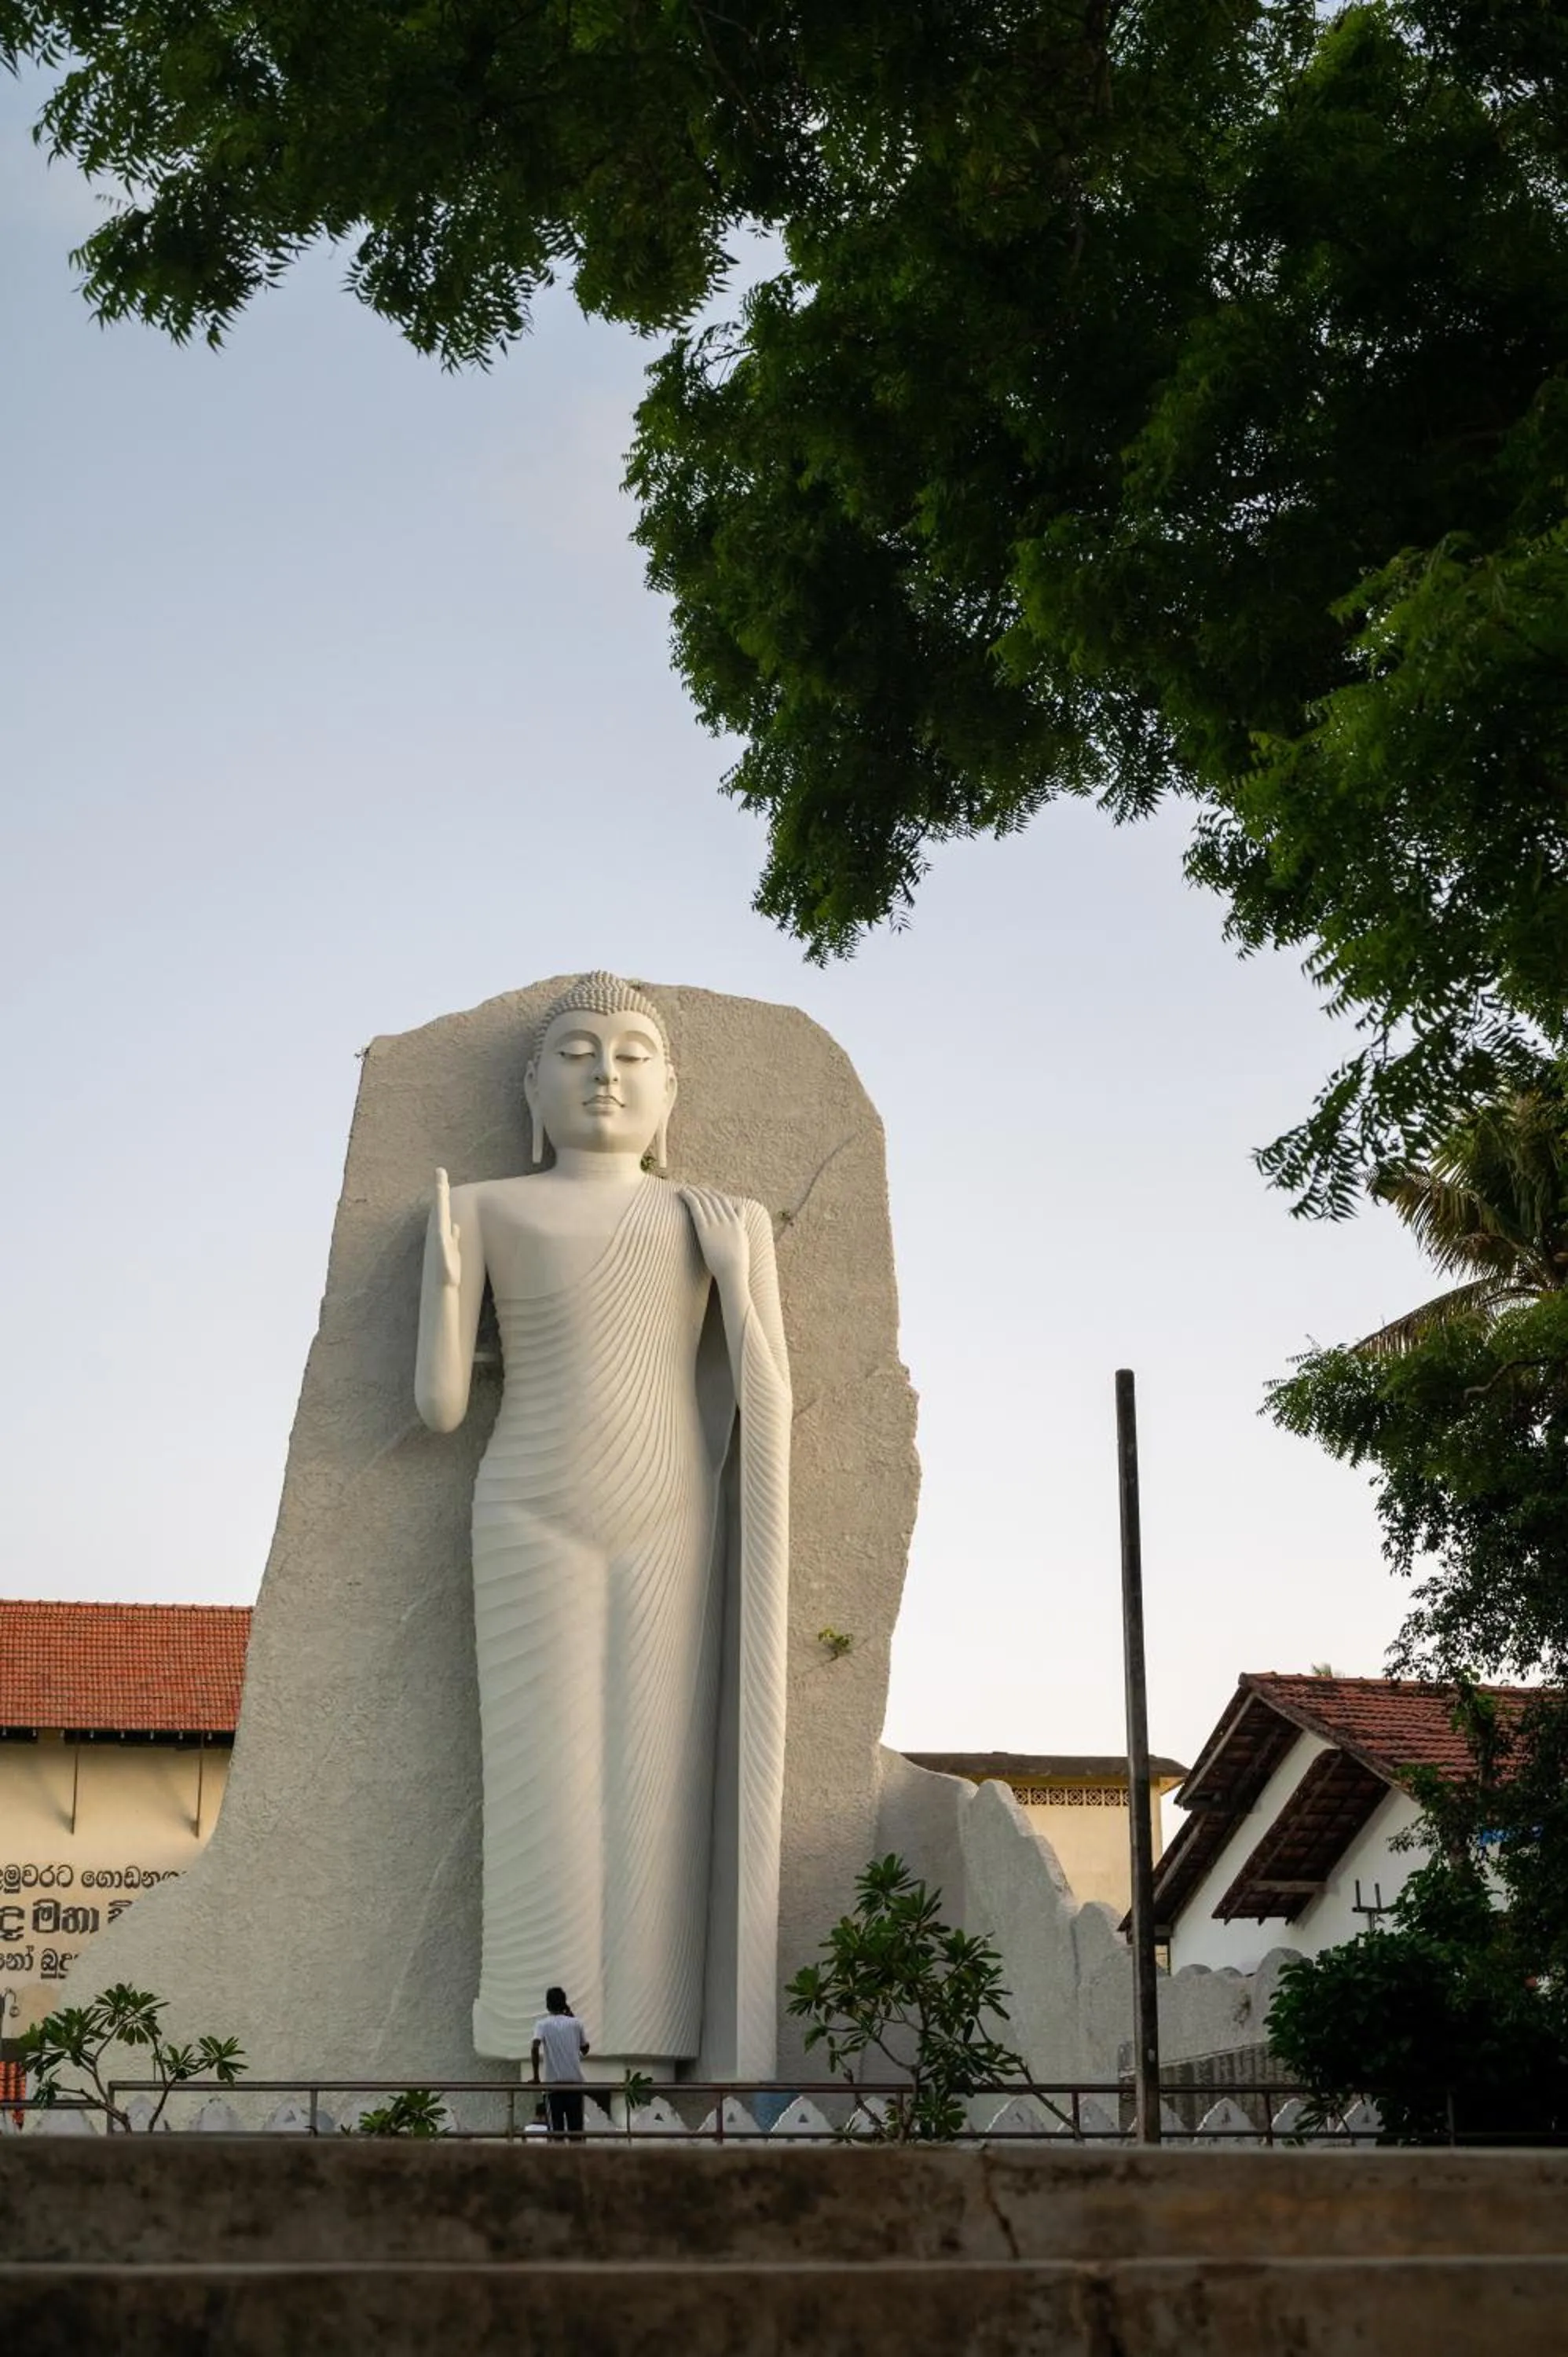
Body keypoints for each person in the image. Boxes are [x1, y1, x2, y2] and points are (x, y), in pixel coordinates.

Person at [530, 1986, 589, 2139]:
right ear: (564, 2004)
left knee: (556, 2132)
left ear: (547, 2005)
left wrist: (536, 2076)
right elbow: (585, 2049)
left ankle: (557, 2161)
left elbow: (535, 2046)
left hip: (553, 2086)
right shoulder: (576, 2023)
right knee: (576, 2132)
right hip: (575, 2084)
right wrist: (571, 2014)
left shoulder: (542, 2024)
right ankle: (576, 2161)